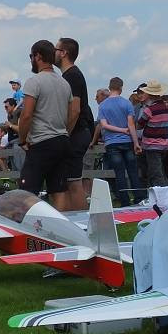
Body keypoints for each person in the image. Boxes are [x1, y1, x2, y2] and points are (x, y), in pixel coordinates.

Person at [18, 40, 73, 207]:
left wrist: (22, 139)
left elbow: (26, 115)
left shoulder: (34, 82)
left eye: (31, 56)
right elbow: (71, 114)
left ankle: (26, 226)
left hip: (41, 141)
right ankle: (61, 227)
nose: (31, 60)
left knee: (27, 190)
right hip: (62, 139)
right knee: (58, 189)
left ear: (38, 56)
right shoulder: (64, 83)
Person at [54, 37, 94, 210]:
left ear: (63, 53)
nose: (52, 52)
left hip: (77, 133)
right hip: (79, 132)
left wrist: (65, 134)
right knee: (69, 182)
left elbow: (75, 109)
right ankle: (74, 221)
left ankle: (82, 223)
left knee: (73, 183)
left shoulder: (72, 76)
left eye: (56, 49)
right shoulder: (69, 76)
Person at [94, 77, 142, 206]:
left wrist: (119, 130)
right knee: (132, 171)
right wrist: (136, 143)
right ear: (121, 87)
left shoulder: (103, 105)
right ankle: (138, 198)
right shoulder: (126, 103)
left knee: (119, 173)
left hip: (111, 142)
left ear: (110, 87)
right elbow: (131, 125)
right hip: (127, 141)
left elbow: (103, 125)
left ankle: (124, 200)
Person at [136, 81, 168, 188]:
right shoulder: (165, 108)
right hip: (163, 143)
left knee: (155, 173)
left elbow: (139, 125)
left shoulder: (149, 110)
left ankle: (160, 194)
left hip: (151, 144)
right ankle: (163, 192)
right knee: (161, 170)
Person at [2, 97, 25, 171]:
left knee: (21, 169)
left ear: (13, 106)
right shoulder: (9, 116)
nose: (5, 109)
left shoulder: (19, 113)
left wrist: (10, 125)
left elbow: (21, 129)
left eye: (6, 107)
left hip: (18, 144)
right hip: (12, 144)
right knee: (15, 171)